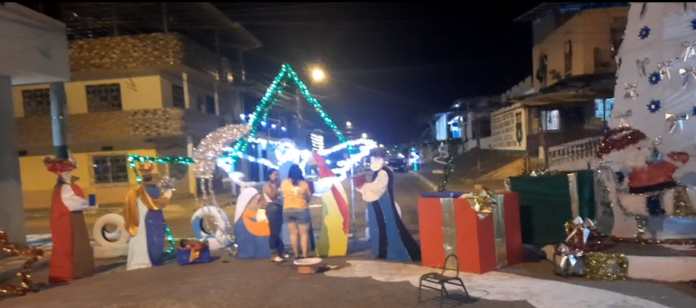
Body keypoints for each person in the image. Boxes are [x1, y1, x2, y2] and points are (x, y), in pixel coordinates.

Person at [45, 155, 94, 283]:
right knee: (70, 245)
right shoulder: (65, 187)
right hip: (68, 220)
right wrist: (89, 204)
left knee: (69, 245)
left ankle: (76, 271)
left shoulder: (61, 187)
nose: (70, 174)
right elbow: (73, 203)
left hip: (67, 219)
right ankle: (69, 272)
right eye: (67, 172)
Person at [124, 162, 173, 270]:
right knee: (153, 239)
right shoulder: (148, 190)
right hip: (150, 219)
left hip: (138, 221)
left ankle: (141, 260)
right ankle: (151, 260)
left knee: (141, 239)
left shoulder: (134, 190)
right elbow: (157, 204)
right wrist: (168, 193)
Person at [281, 164, 313, 259]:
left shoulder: (284, 183)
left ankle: (296, 255)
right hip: (301, 209)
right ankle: (304, 255)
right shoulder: (303, 184)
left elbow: (284, 194)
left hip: (287, 209)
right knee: (303, 234)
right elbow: (308, 197)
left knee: (293, 233)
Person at [262, 169, 286, 262]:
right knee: (274, 233)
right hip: (272, 208)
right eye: (275, 175)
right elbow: (272, 196)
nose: (277, 176)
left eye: (278, 175)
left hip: (279, 207)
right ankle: (274, 254)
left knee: (278, 232)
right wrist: (276, 186)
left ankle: (280, 252)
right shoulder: (267, 185)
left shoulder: (278, 184)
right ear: (270, 175)